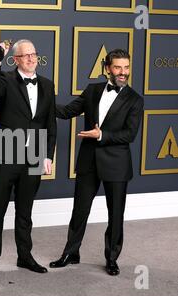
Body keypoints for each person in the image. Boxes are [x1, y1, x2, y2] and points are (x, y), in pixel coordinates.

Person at [49, 49, 144, 276]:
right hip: (89, 161)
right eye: (118, 67)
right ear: (108, 69)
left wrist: (101, 135)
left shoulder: (135, 100)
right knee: (79, 211)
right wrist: (41, 101)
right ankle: (71, 253)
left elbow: (129, 135)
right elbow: (67, 111)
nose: (123, 72)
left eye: (126, 67)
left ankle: (112, 258)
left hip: (117, 164)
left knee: (115, 214)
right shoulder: (92, 90)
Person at [0, 39, 57, 279]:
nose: (31, 59)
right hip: (6, 153)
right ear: (15, 60)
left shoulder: (47, 84)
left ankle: (25, 257)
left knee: (25, 212)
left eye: (34, 54)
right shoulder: (5, 79)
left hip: (34, 155)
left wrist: (47, 154)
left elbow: (50, 123)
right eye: (25, 56)